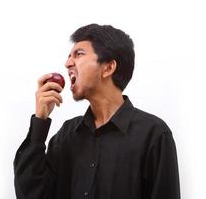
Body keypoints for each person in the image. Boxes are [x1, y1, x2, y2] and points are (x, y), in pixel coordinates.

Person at [13, 24, 180, 199]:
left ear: (108, 67)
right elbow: (32, 194)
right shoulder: (67, 135)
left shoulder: (153, 134)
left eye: (79, 54)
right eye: (69, 56)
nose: (67, 63)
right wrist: (40, 120)